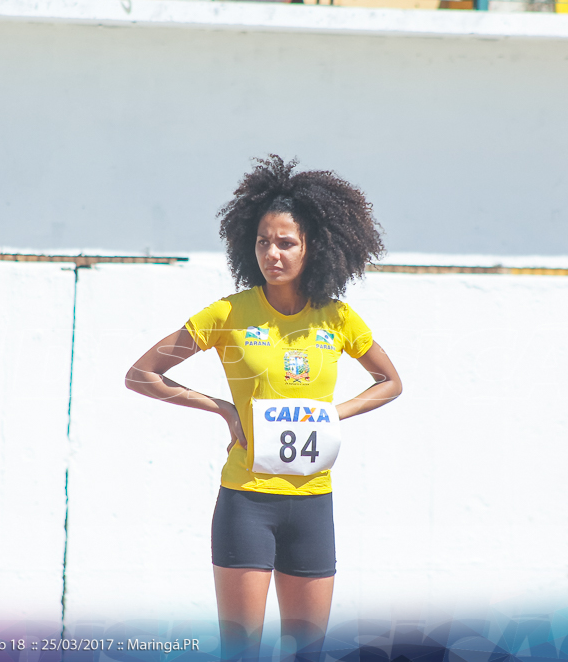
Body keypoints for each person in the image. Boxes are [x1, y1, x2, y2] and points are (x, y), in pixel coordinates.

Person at [125, 155, 402, 660]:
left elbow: (389, 382)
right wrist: (225, 410)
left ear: (313, 247)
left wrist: (334, 414)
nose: (271, 253)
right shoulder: (228, 313)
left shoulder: (338, 318)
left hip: (314, 503)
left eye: (286, 242)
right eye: (262, 241)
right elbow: (142, 374)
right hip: (246, 502)